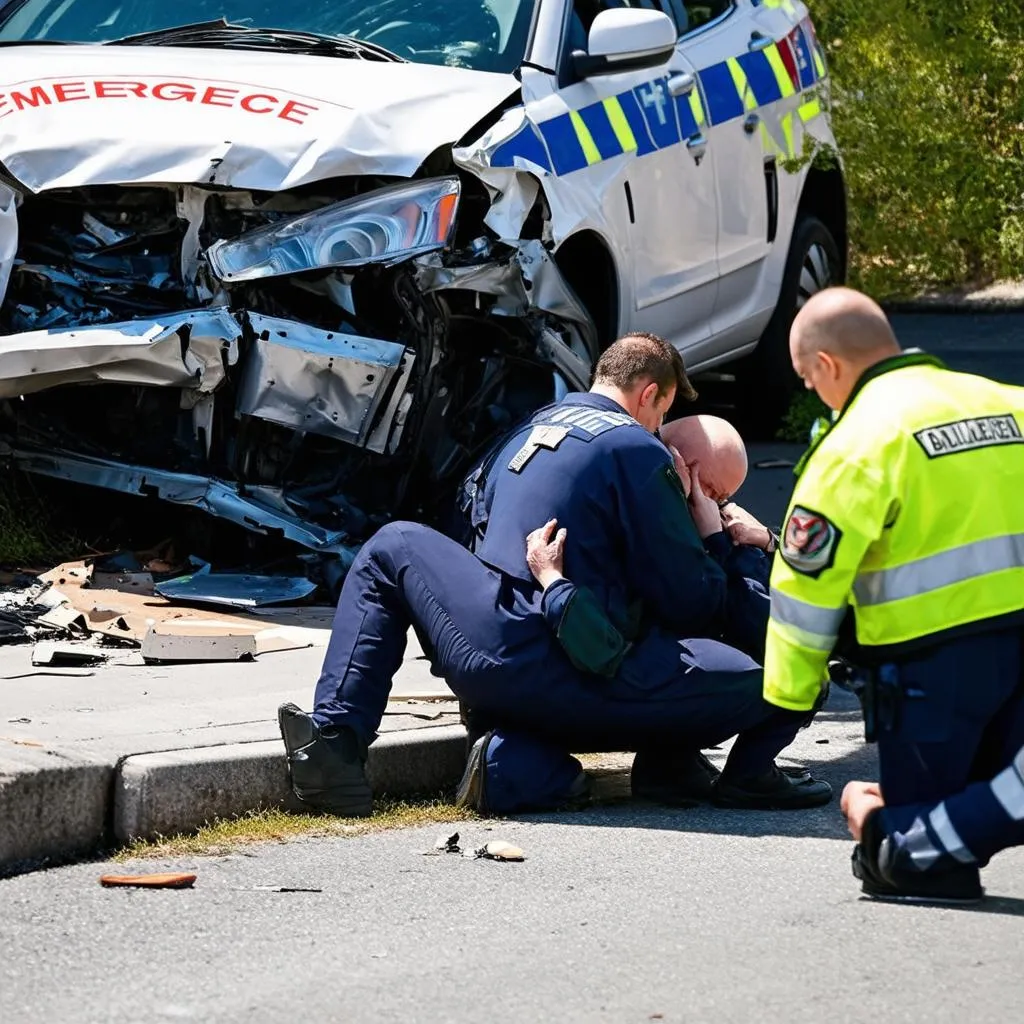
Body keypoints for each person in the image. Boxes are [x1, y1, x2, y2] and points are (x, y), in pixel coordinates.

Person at [279, 333, 830, 817]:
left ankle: (333, 748)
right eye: (662, 415)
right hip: (571, 666)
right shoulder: (637, 449)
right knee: (777, 666)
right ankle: (736, 775)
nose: (660, 432)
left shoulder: (534, 427)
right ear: (650, 395)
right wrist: (724, 543)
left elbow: (468, 527)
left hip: (484, 642)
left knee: (392, 543)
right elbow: (695, 602)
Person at [761, 285, 1024, 904]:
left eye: (805, 377)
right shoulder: (1011, 405)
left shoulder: (855, 445)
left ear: (826, 366)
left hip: (929, 674)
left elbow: (805, 585)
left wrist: (789, 694)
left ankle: (887, 836)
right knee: (996, 802)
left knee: (928, 869)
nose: (808, 390)